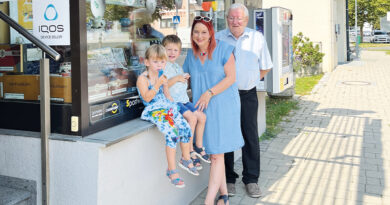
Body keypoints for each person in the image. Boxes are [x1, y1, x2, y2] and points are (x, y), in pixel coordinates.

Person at [183, 16, 244, 205]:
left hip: (223, 108)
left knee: (217, 154)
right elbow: (183, 80)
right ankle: (224, 196)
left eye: (204, 32)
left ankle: (208, 202)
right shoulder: (190, 56)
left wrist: (209, 93)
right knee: (215, 153)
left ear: (211, 33)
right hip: (202, 111)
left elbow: (231, 77)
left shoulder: (224, 49)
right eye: (196, 32)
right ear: (191, 34)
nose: (199, 36)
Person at [215, 3, 273, 198]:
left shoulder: (257, 38)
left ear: (246, 20)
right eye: (231, 18)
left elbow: (265, 66)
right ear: (227, 19)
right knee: (228, 137)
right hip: (225, 95)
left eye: (239, 18)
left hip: (248, 94)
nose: (235, 21)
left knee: (250, 136)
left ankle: (251, 180)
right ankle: (229, 180)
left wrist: (252, 80)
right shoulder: (218, 37)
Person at [136, 44, 199, 188]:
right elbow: (146, 98)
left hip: (166, 106)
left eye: (162, 62)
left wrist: (172, 103)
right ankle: (171, 170)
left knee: (185, 127)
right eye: (155, 62)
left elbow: (167, 93)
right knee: (172, 133)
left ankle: (185, 158)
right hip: (154, 109)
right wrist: (157, 84)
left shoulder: (161, 75)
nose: (159, 65)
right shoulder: (143, 79)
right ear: (147, 62)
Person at [162, 35, 211, 172]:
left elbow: (179, 82)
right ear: (162, 50)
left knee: (202, 117)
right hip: (174, 102)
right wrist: (177, 78)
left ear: (179, 52)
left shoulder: (177, 66)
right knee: (192, 118)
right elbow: (163, 85)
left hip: (183, 99)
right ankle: (188, 152)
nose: (172, 53)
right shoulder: (162, 66)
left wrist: (184, 78)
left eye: (175, 50)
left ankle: (198, 146)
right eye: (169, 49)